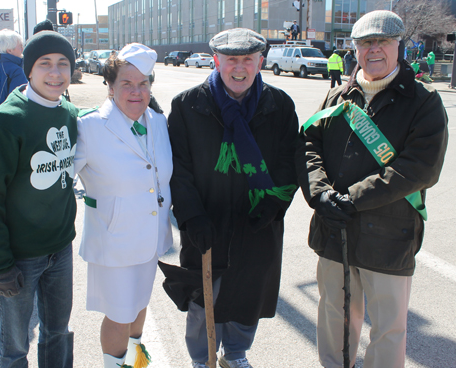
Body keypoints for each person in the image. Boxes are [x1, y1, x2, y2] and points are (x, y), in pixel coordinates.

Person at [295, 10, 448, 368]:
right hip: (335, 228)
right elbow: (307, 146)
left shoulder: (423, 102)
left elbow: (420, 168)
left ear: (399, 45)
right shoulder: (337, 97)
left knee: (388, 329)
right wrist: (320, 195)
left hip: (390, 234)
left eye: (382, 41)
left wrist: (354, 198)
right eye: (365, 43)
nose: (374, 49)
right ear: (355, 50)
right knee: (334, 316)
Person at [163, 28, 299, 368]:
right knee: (202, 297)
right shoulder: (187, 105)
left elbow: (289, 162)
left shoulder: (279, 105)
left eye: (248, 60)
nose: (239, 68)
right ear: (216, 61)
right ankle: (201, 358)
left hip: (257, 223)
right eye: (231, 60)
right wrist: (192, 216)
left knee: (248, 293)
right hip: (206, 221)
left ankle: (235, 353)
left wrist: (273, 204)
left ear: (260, 62)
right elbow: (178, 169)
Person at [0, 31, 78, 368]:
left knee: (58, 332)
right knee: (15, 347)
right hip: (19, 257)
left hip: (60, 251)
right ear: (28, 70)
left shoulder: (70, 114)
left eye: (63, 64)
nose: (56, 73)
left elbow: (97, 120)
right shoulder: (5, 122)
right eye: (45, 64)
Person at [74, 43, 172, 368]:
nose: (136, 91)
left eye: (143, 83)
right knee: (119, 314)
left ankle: (135, 359)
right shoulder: (89, 127)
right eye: (127, 84)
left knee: (140, 305)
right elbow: (62, 179)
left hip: (149, 238)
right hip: (113, 242)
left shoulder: (157, 121)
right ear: (110, 86)